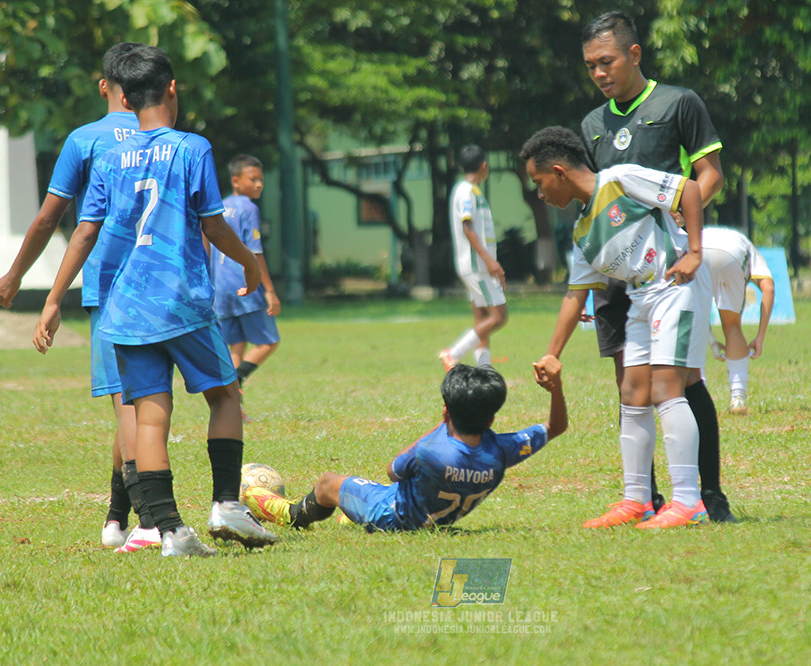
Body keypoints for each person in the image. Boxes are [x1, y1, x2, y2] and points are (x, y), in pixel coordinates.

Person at [33, 45, 278, 557]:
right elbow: (212, 223)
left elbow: (83, 232)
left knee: (149, 416)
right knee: (226, 395)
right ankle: (227, 506)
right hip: (181, 301)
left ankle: (169, 533)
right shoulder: (193, 148)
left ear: (122, 94)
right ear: (171, 89)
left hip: (123, 308)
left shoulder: (111, 155)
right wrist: (251, 264)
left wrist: (55, 299)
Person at [0, 42, 160, 552]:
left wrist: (18, 276)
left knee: (128, 407)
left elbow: (51, 218)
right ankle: (116, 515)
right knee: (144, 402)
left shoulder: (86, 139)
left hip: (111, 284)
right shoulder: (169, 138)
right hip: (163, 281)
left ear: (105, 85)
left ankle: (150, 521)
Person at [579, 11, 734, 523]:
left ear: (634, 54)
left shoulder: (677, 103)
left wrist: (684, 234)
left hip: (668, 271)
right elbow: (596, 207)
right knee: (631, 384)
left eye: (607, 62)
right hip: (619, 278)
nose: (600, 74)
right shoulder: (592, 126)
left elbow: (708, 175)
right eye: (591, 66)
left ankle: (708, 497)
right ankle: (643, 498)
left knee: (684, 379)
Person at [522, 125, 710, 529]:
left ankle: (689, 502)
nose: (539, 194)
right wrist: (552, 353)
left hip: (676, 284)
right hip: (641, 300)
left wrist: (694, 252)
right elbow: (575, 296)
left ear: (558, 171)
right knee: (633, 391)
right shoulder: (583, 233)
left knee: (665, 388)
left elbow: (689, 191)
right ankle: (637, 500)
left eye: (538, 183)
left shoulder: (620, 180)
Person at [242, 362, 567, 532]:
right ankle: (349, 513)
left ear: (445, 411)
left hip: (391, 516)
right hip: (438, 519)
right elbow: (556, 427)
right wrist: (555, 389)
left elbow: (394, 470)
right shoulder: (502, 450)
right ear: (493, 416)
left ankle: (290, 514)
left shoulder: (431, 451)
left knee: (329, 482)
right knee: (375, 491)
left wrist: (442, 424)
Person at [211, 154, 281, 421]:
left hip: (220, 286)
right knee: (269, 341)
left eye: (261, 179)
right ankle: (235, 380)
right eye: (254, 179)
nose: (259, 184)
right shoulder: (248, 208)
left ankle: (234, 410)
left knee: (236, 346)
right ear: (236, 181)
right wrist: (270, 290)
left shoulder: (220, 206)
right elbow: (255, 252)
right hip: (243, 283)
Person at [439, 145, 508, 369]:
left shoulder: (468, 190)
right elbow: (468, 228)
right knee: (498, 317)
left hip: (473, 265)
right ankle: (453, 352)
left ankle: (484, 370)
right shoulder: (467, 191)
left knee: (482, 320)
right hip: (477, 265)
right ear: (483, 166)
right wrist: (489, 261)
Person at [701, 226, 775, 415]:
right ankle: (737, 398)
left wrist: (711, 341)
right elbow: (769, 288)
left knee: (693, 322)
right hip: (733, 255)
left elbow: (697, 314)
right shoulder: (752, 252)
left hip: (698, 247)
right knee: (732, 326)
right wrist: (760, 337)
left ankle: (696, 397)